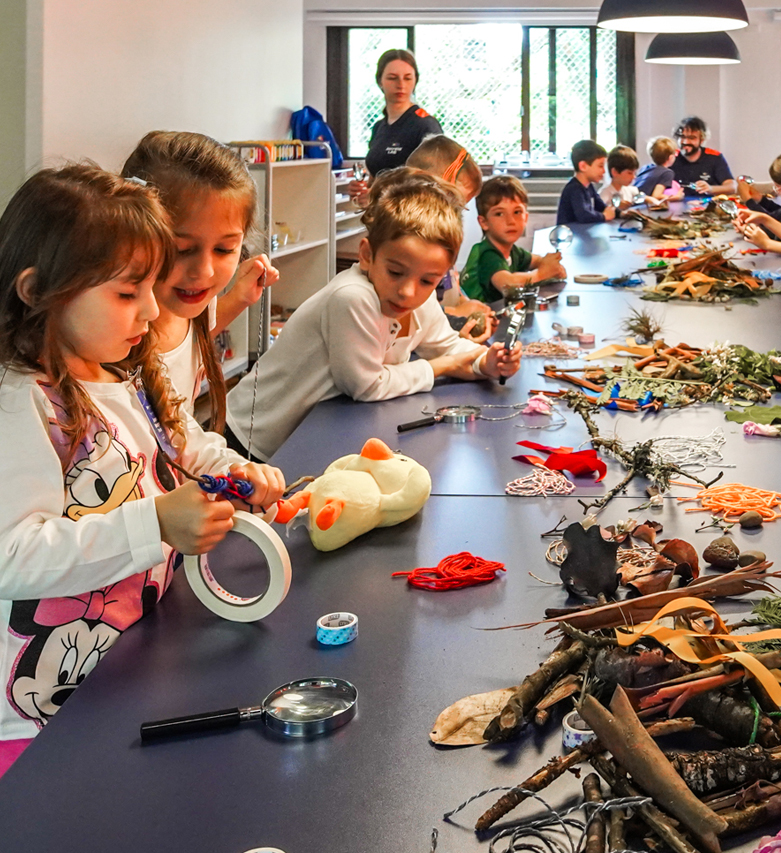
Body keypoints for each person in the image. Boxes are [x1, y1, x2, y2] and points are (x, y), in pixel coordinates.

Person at [0, 165, 285, 775]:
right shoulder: (19, 397)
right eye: (128, 294)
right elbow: (12, 555)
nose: (151, 309)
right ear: (37, 290)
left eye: (152, 287)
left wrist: (239, 471)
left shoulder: (119, 372)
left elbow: (182, 445)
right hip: (42, 719)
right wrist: (154, 522)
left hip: (128, 663)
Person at [224, 169, 522, 461]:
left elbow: (448, 346)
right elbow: (367, 385)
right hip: (254, 440)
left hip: (313, 432)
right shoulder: (353, 297)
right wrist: (442, 366)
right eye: (395, 272)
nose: (408, 291)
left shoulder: (422, 296)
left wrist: (486, 361)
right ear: (367, 255)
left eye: (427, 280)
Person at [120, 131, 280, 430]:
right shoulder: (110, 338)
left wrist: (241, 298)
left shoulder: (194, 305)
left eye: (224, 249)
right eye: (182, 249)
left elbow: (193, 336)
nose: (204, 272)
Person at [403, 134, 495, 341]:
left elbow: (449, 283)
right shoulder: (412, 242)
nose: (454, 216)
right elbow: (410, 315)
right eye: (452, 205)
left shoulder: (439, 236)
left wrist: (465, 302)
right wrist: (456, 315)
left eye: (460, 209)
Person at [461, 176, 566, 304]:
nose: (510, 221)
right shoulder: (487, 254)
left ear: (525, 218)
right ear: (484, 222)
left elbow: (536, 260)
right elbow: (508, 285)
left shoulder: (513, 252)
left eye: (517, 212)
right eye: (499, 214)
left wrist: (551, 265)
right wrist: (541, 274)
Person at [362, 49, 443, 179]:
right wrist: (364, 190)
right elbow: (375, 176)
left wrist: (379, 192)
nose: (401, 85)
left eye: (407, 78)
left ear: (415, 81)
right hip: (379, 199)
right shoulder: (378, 127)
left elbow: (434, 182)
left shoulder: (425, 126)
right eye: (392, 78)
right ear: (380, 81)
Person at [556, 140, 616, 226]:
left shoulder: (589, 187)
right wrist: (604, 216)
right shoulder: (574, 189)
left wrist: (620, 213)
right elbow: (583, 215)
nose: (603, 171)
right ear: (583, 166)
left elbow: (602, 207)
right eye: (600, 166)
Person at [670, 117, 734, 196]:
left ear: (702, 139)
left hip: (706, 205)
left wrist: (710, 189)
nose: (686, 142)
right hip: (676, 205)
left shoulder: (714, 157)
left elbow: (732, 187)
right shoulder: (670, 156)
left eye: (691, 138)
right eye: (682, 137)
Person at [599, 146, 643, 210]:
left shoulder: (631, 190)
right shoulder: (604, 194)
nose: (634, 177)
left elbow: (643, 198)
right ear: (615, 172)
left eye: (634, 173)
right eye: (630, 173)